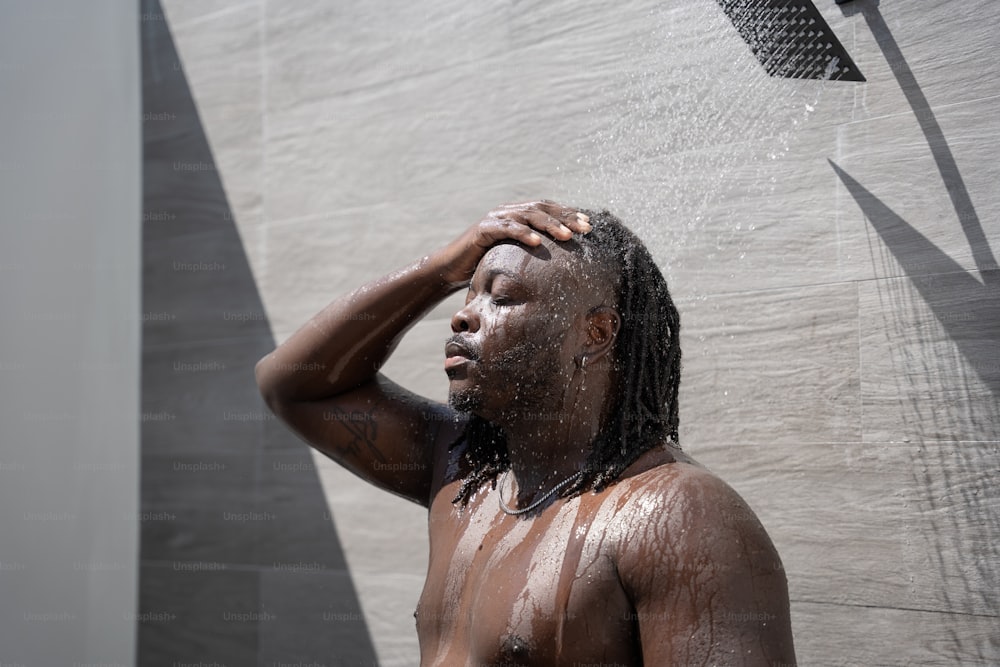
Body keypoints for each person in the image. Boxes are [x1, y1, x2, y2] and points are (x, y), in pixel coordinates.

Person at [255, 200, 796, 666]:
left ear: (596, 332)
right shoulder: (467, 472)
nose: (463, 317)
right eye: (466, 294)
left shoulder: (676, 514)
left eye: (502, 297)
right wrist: (440, 268)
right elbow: (292, 384)